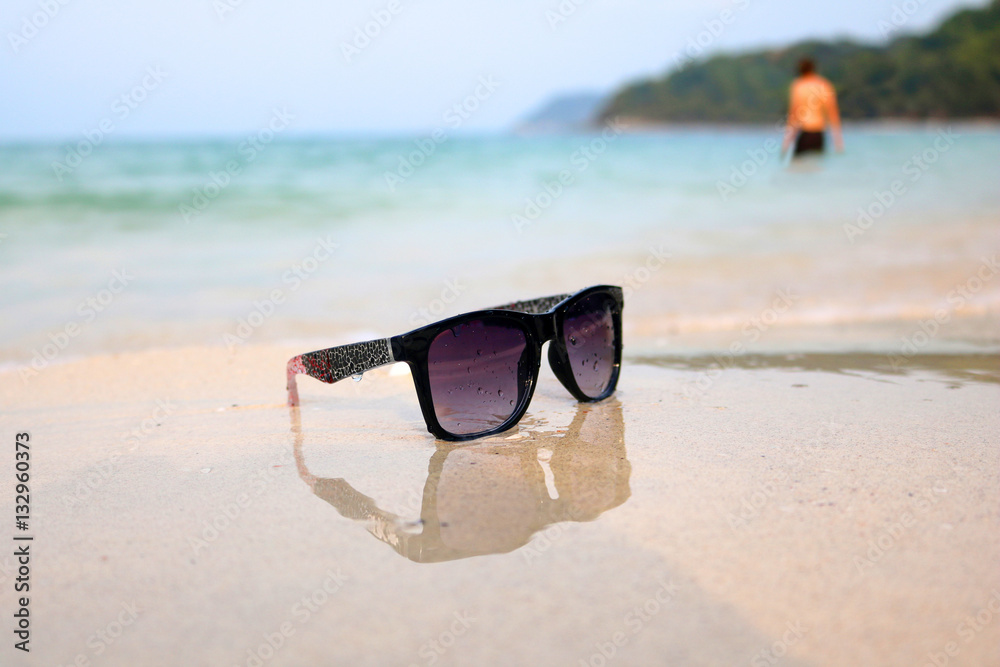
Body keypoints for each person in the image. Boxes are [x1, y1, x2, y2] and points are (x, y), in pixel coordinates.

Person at [781, 58, 844, 158]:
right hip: (819, 134)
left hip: (805, 133)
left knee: (799, 168)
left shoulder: (798, 86)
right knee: (817, 166)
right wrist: (838, 141)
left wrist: (786, 143)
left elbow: (793, 114)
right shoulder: (824, 84)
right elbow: (833, 112)